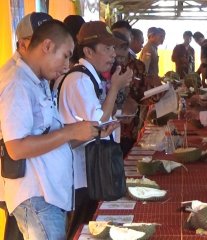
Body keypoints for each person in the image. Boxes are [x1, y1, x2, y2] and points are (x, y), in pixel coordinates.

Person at [0, 19, 111, 240]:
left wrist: (85, 132)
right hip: (35, 196)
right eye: (66, 55)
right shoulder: (17, 82)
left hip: (48, 194)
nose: (67, 65)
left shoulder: (36, 80)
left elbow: (52, 137)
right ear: (47, 46)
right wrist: (70, 132)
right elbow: (16, 148)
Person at [58, 21, 132, 239]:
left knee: (87, 222)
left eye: (114, 48)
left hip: (88, 166)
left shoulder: (89, 77)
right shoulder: (79, 79)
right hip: (79, 169)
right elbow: (98, 121)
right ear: (88, 51)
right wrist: (116, 88)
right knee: (80, 226)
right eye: (106, 49)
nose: (113, 55)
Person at [0, 12, 52, 240]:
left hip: (32, 181)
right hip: (18, 179)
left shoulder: (36, 74)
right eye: (40, 42)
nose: (47, 48)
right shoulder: (14, 78)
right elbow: (16, 145)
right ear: (23, 43)